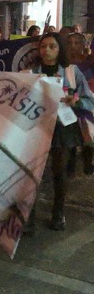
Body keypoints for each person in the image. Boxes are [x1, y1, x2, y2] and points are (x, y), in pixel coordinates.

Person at [28, 33, 94, 230]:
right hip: (35, 126)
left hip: (63, 126)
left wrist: (76, 101)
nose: (47, 50)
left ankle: (58, 213)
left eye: (52, 46)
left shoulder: (71, 72)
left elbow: (89, 99)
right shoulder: (30, 72)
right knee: (32, 173)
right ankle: (28, 215)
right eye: (43, 46)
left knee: (60, 171)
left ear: (59, 49)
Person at [65, 33, 94, 176]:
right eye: (69, 42)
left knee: (88, 136)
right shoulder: (63, 65)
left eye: (76, 43)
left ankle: (88, 163)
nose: (72, 46)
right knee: (71, 136)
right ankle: (70, 164)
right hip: (69, 106)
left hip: (87, 105)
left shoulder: (90, 62)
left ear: (83, 45)